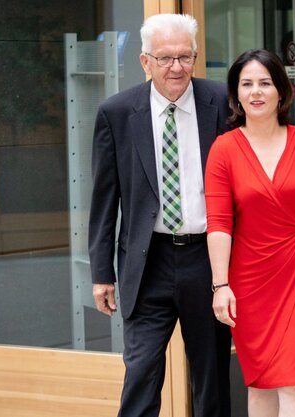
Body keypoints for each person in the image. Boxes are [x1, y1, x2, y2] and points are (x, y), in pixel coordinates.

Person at [88, 13, 231, 417]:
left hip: (207, 260)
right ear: (144, 61)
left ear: (196, 57)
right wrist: (102, 272)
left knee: (211, 378)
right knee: (141, 372)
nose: (176, 67)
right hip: (147, 261)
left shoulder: (220, 102)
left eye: (185, 57)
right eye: (165, 58)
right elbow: (104, 199)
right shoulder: (116, 113)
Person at [205, 49, 295, 416]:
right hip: (249, 283)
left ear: (282, 91)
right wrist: (220, 285)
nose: (256, 92)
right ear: (236, 94)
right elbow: (219, 223)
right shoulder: (224, 149)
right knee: (261, 385)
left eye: (265, 83)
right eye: (247, 84)